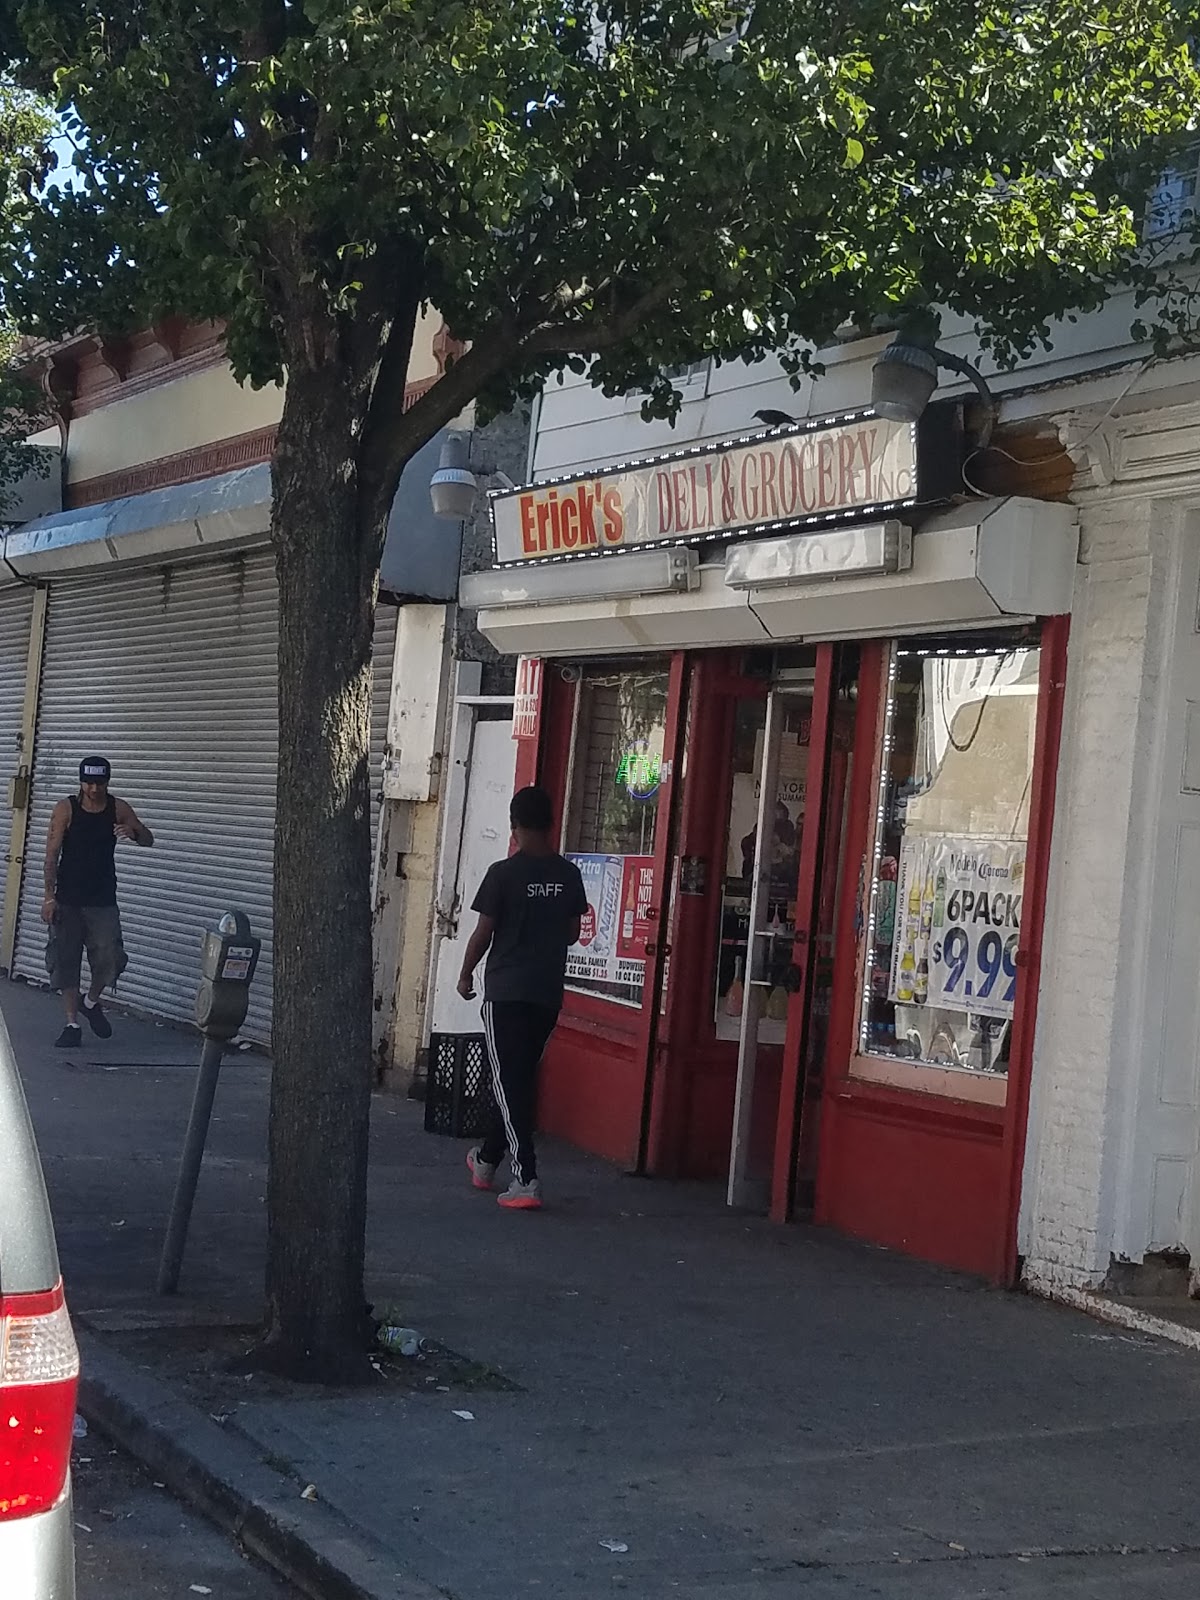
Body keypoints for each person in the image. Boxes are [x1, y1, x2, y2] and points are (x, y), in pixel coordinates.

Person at [457, 785, 587, 1210]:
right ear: (551, 824)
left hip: (507, 991)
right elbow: (572, 933)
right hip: (547, 993)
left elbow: (484, 932)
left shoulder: (502, 874)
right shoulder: (568, 875)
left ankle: (526, 1176)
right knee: (519, 1081)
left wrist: (464, 975)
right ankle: (487, 1158)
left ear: (514, 826)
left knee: (508, 1081)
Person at [42, 756, 154, 1048]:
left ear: (107, 782)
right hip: (67, 898)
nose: (94, 789)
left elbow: (148, 839)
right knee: (66, 961)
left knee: (111, 957)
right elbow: (52, 855)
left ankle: (90, 1002)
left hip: (102, 898)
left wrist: (135, 832)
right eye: (89, 783)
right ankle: (71, 1024)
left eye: (100, 783)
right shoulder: (66, 808)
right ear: (81, 782)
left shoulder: (118, 808)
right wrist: (49, 897)